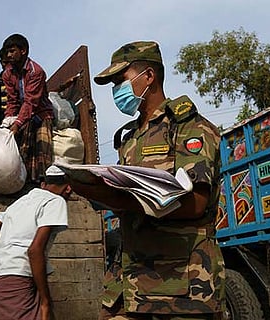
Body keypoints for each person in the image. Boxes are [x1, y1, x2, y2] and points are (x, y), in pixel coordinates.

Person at [72, 41, 225, 319]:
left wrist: (120, 200)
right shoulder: (129, 139)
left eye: (121, 81)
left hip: (180, 288)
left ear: (149, 77)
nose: (117, 91)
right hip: (130, 281)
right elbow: (125, 200)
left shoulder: (188, 126)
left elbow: (196, 204)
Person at [0, 165, 72, 320]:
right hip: (16, 285)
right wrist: (45, 301)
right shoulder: (55, 201)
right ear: (68, 189)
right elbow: (34, 251)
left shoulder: (19, 203)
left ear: (43, 184)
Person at [1, 34, 54, 184]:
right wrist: (8, 121)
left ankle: (44, 182)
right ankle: (22, 181)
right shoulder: (7, 74)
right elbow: (12, 101)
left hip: (42, 113)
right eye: (7, 52)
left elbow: (31, 101)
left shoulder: (36, 72)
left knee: (42, 147)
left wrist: (17, 123)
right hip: (23, 115)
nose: (9, 55)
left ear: (23, 51)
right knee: (21, 149)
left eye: (12, 51)